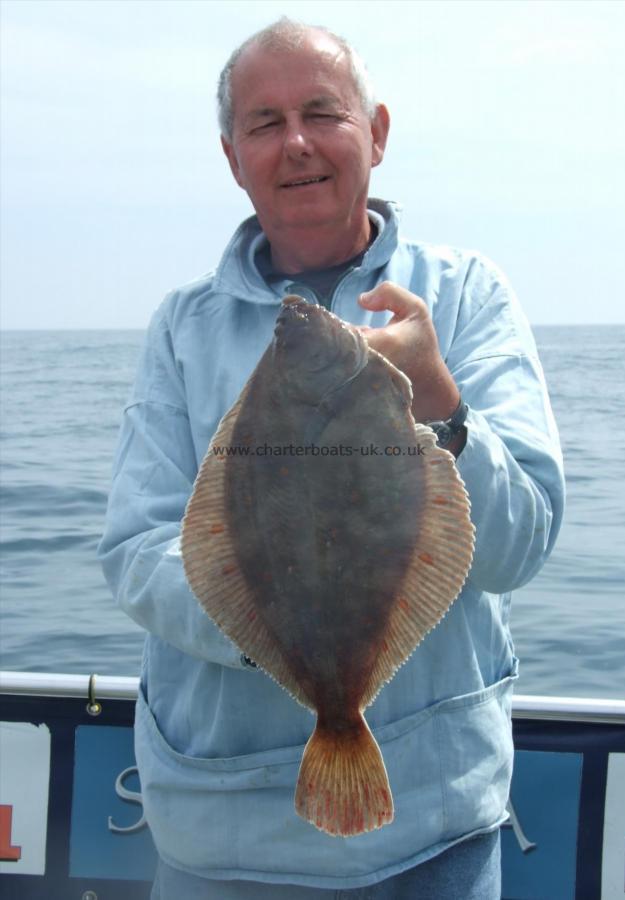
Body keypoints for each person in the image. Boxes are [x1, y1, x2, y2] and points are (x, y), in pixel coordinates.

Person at [99, 17, 564, 899]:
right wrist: (274, 623)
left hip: (434, 825)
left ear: (376, 132)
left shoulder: (463, 296)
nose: (297, 143)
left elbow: (523, 545)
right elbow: (136, 548)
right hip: (221, 829)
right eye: (265, 122)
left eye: (323, 112)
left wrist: (440, 402)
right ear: (233, 156)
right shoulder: (182, 328)